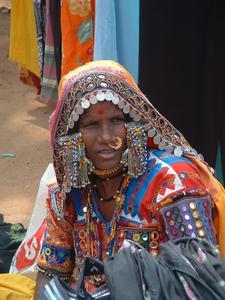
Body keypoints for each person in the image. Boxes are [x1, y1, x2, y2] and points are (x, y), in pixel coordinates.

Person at [30, 60, 225, 298]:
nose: (106, 137)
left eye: (117, 121)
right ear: (72, 135)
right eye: (91, 124)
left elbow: (202, 283)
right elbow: (52, 272)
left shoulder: (174, 184)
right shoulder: (66, 193)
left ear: (134, 124)